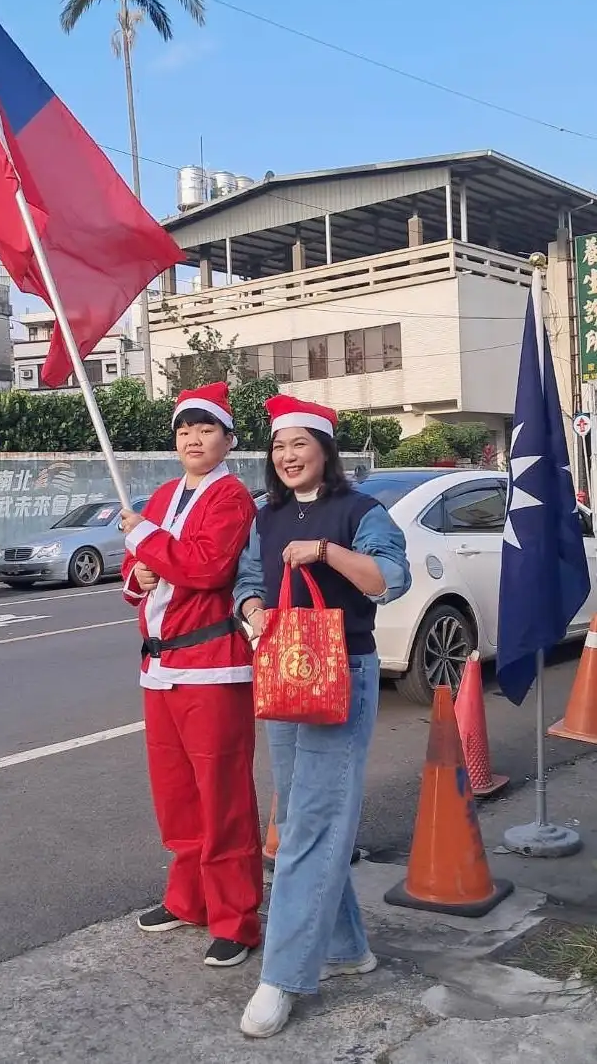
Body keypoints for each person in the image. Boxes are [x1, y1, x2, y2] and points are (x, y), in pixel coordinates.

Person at [233, 393, 411, 1037]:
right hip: (284, 670)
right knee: (303, 811)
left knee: (310, 820)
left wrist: (326, 553)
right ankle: (347, 945)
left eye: (299, 445)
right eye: (278, 447)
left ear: (325, 451)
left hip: (345, 674)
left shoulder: (360, 510)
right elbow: (247, 580)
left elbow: (389, 578)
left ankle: (281, 977)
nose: (286, 457)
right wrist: (255, 617)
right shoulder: (265, 516)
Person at [120, 381, 263, 969]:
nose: (192, 439)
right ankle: (189, 899)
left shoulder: (231, 499)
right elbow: (135, 567)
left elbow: (206, 568)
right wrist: (139, 576)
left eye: (205, 429)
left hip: (213, 666)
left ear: (228, 439)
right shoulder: (162, 494)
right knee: (176, 795)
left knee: (223, 796)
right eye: (184, 429)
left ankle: (237, 918)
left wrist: (147, 543)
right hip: (160, 664)